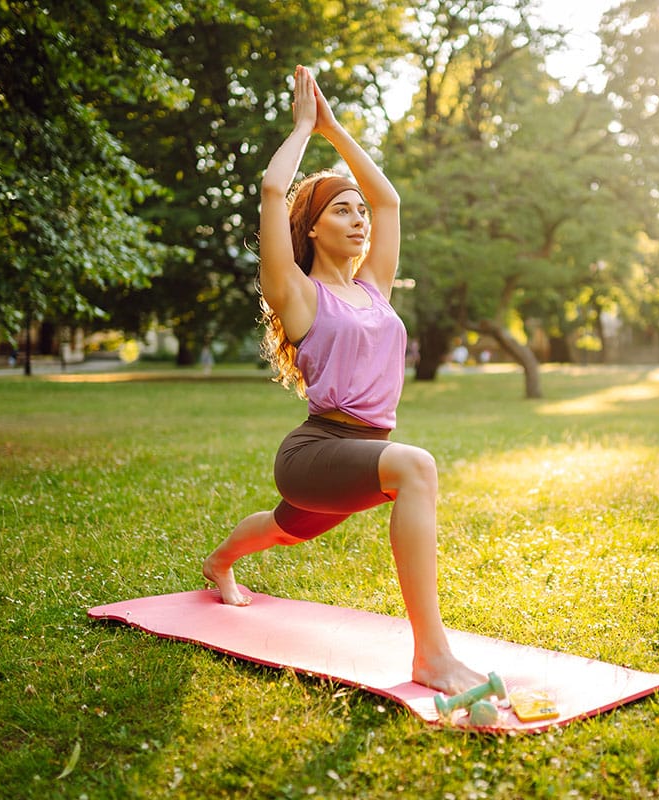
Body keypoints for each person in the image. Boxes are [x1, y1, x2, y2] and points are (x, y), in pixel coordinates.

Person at [202, 65, 485, 694]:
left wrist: (335, 131)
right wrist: (303, 128)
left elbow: (390, 200)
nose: (361, 219)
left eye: (360, 212)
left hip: (355, 452)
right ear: (312, 228)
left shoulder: (373, 289)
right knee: (417, 467)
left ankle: (219, 563)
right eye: (342, 210)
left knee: (283, 529)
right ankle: (431, 656)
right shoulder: (298, 295)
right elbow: (274, 193)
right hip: (317, 449)